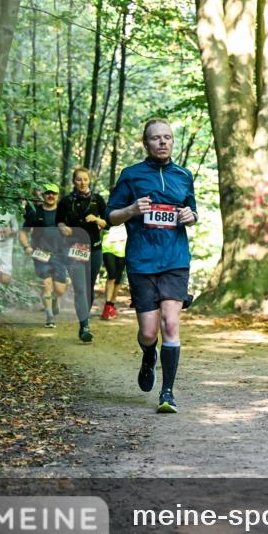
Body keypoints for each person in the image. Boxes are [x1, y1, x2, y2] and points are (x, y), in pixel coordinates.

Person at [106, 119, 198, 413]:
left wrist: (189, 216)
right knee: (148, 332)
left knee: (170, 324)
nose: (163, 142)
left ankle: (167, 393)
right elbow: (110, 216)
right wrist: (131, 210)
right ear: (146, 143)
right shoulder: (131, 176)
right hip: (142, 261)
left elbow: (192, 211)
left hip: (175, 260)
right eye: (156, 138)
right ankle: (149, 355)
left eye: (167, 138)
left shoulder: (184, 175)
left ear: (172, 142)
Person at [57, 167, 107, 342]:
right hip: (74, 249)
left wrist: (97, 220)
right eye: (79, 179)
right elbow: (59, 221)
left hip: (94, 249)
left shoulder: (97, 200)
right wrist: (63, 228)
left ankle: (83, 321)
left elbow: (108, 223)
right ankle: (85, 325)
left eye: (85, 179)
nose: (82, 182)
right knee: (80, 288)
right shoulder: (65, 201)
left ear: (89, 180)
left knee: (89, 288)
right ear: (74, 181)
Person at [19, 184, 68, 328]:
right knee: (46, 285)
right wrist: (26, 246)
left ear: (58, 196)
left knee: (59, 290)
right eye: (48, 193)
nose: (50, 196)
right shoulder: (35, 212)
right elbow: (23, 232)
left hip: (60, 254)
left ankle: (55, 300)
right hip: (41, 254)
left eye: (54, 193)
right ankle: (49, 316)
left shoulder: (63, 212)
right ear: (43, 195)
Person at [100, 221, 127, 319]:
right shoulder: (109, 211)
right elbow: (102, 225)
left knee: (118, 279)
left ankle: (112, 304)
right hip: (108, 247)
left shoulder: (128, 212)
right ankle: (107, 306)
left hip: (123, 248)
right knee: (112, 276)